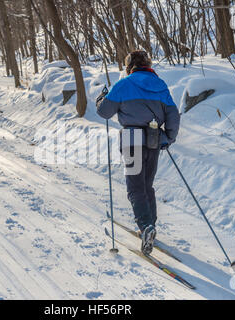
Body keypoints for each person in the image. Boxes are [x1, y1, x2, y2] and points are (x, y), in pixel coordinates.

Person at [96, 50, 180, 255]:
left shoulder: (124, 84)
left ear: (129, 66)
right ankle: (150, 225)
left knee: (135, 187)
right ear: (148, 64)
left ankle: (146, 227)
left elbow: (104, 112)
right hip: (153, 139)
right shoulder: (160, 85)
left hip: (132, 139)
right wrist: (168, 138)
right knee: (146, 185)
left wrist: (102, 97)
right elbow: (173, 115)